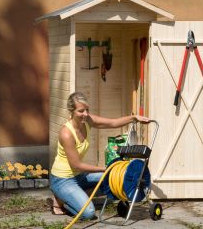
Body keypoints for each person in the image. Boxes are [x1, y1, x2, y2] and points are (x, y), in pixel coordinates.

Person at [48, 91, 149, 219]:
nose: (85, 114)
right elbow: (77, 165)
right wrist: (104, 168)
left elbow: (112, 123)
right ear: (71, 111)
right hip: (63, 179)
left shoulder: (87, 121)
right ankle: (60, 199)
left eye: (87, 110)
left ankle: (75, 195)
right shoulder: (66, 133)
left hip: (79, 177)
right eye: (80, 111)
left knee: (113, 179)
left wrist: (134, 118)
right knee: (88, 213)